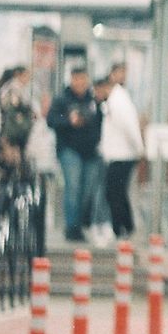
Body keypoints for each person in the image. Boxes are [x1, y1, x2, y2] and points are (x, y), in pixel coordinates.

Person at [46, 68, 104, 243]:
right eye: (76, 79)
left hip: (91, 152)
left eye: (83, 79)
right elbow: (51, 120)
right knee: (73, 187)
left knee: (87, 190)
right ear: (71, 80)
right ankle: (72, 227)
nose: (80, 83)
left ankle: (81, 223)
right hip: (69, 150)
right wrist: (69, 121)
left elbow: (100, 121)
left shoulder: (94, 100)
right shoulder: (62, 100)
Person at [100, 63, 145, 240]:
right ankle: (124, 226)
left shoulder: (118, 100)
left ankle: (121, 228)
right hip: (119, 154)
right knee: (117, 192)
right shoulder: (116, 99)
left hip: (122, 155)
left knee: (114, 192)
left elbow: (129, 127)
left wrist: (139, 148)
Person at [0, 65, 35, 178]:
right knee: (12, 166)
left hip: (10, 132)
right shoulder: (13, 89)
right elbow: (14, 109)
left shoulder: (9, 88)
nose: (28, 79)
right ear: (17, 75)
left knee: (11, 167)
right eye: (26, 76)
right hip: (12, 133)